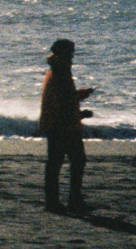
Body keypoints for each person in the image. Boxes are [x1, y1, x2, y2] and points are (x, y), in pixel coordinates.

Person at [38, 38, 94, 215]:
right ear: (64, 52)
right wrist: (80, 112)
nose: (73, 55)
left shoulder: (55, 69)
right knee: (76, 161)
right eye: (71, 51)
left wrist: (79, 96)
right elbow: (64, 101)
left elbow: (64, 98)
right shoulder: (61, 71)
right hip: (64, 125)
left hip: (55, 123)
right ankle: (72, 200)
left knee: (55, 163)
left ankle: (53, 202)